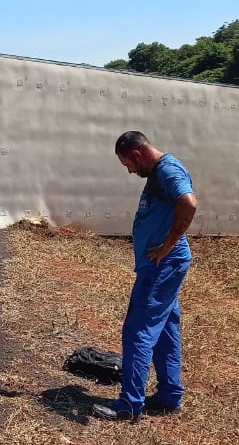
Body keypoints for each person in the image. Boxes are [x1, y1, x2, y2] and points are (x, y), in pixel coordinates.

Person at [92, 131, 197, 422]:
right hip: (163, 266)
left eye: (128, 164)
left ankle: (129, 405)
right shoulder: (161, 171)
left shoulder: (168, 170)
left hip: (162, 267)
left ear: (138, 154)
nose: (129, 170)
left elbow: (188, 203)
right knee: (165, 329)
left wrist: (168, 245)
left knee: (137, 330)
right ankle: (169, 396)